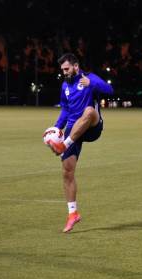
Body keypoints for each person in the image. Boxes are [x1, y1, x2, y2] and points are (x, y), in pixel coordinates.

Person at [47, 53, 113, 233]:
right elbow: (65, 110)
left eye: (66, 68)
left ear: (76, 66)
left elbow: (109, 90)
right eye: (62, 70)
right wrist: (56, 129)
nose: (64, 72)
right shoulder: (64, 86)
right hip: (73, 130)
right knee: (67, 172)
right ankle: (73, 213)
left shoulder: (89, 78)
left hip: (92, 126)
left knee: (90, 110)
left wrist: (92, 84)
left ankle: (65, 144)